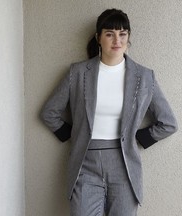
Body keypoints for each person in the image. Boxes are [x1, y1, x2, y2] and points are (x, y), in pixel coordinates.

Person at [40, 8, 178, 216]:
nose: (117, 40)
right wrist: (74, 135)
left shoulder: (144, 77)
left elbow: (168, 123)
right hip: (85, 164)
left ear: (128, 38)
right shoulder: (78, 73)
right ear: (98, 38)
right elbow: (49, 112)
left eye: (122, 34)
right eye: (109, 34)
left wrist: (138, 138)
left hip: (125, 166)